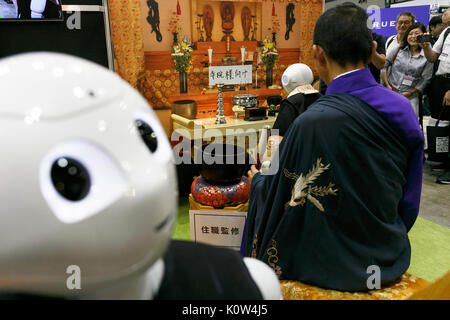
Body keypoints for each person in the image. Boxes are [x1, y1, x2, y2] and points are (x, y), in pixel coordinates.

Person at [0, 52, 282, 300]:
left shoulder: (236, 282)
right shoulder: (243, 283)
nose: (145, 185)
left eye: (148, 139)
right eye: (73, 180)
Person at [243, 3, 424, 291]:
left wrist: (260, 184)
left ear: (318, 55)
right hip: (386, 257)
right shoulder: (402, 109)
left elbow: (284, 195)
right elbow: (410, 202)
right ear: (372, 49)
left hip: (325, 264)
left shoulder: (310, 123)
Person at [421, 8, 450, 184]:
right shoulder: (446, 32)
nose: (444, 16)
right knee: (444, 124)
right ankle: (444, 161)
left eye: (447, 12)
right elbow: (433, 57)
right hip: (441, 82)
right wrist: (425, 47)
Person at [381, 22, 433, 117]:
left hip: (411, 97)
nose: (413, 36)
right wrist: (387, 85)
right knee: (388, 122)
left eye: (417, 34)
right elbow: (384, 65)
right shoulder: (398, 48)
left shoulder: (427, 55)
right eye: (410, 34)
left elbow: (426, 78)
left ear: (423, 35)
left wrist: (410, 93)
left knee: (409, 124)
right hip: (391, 92)